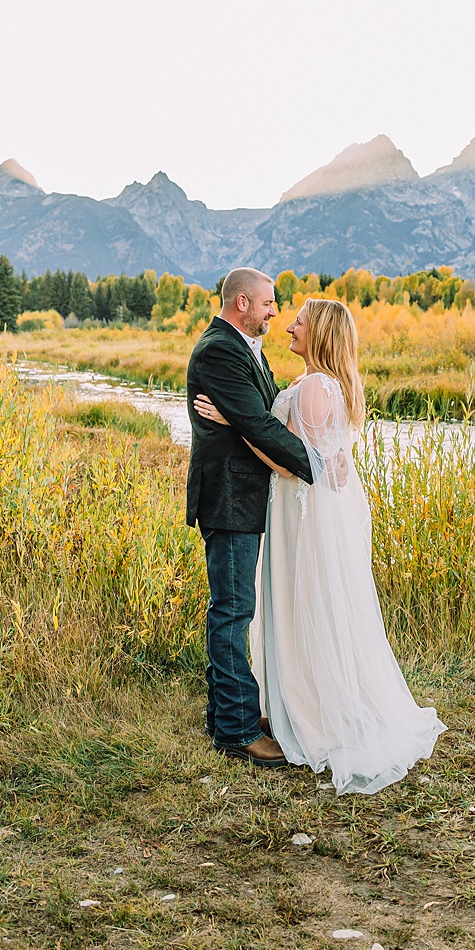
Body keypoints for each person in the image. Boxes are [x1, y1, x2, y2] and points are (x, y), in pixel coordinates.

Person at [194, 297, 445, 794]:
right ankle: (290, 703)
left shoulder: (313, 388)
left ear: (320, 333)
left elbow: (293, 463)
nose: (289, 325)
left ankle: (309, 711)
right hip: (298, 509)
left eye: (300, 322)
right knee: (300, 605)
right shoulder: (320, 384)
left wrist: (232, 422)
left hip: (301, 514)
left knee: (302, 605)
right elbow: (324, 459)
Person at [186, 268, 312, 767]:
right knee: (233, 611)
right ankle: (237, 731)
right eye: (268, 303)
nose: (274, 312)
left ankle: (227, 711)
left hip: (243, 495)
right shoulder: (218, 349)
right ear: (242, 302)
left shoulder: (240, 346)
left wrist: (239, 419)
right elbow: (257, 421)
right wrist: (312, 464)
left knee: (236, 608)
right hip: (230, 498)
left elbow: (255, 414)